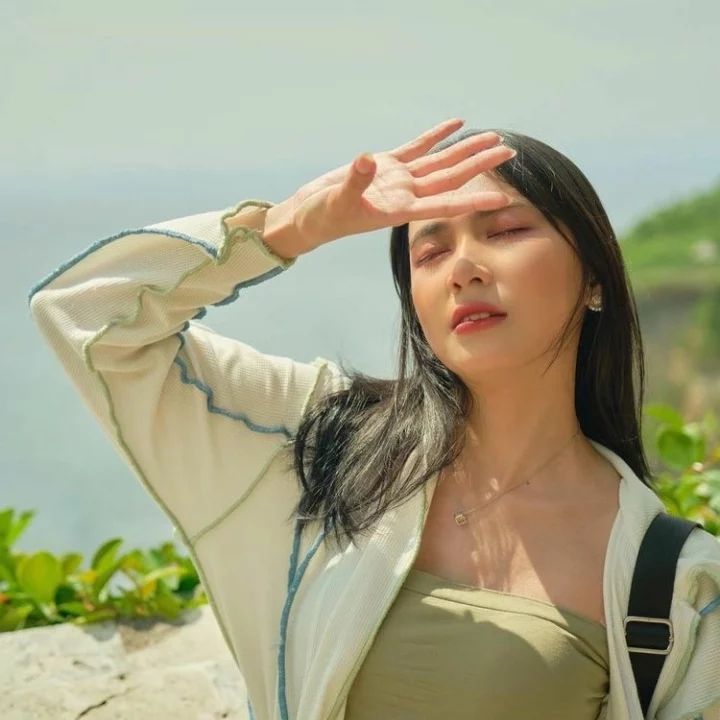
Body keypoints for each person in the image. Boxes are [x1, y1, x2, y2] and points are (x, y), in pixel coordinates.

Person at [28, 118, 720, 719]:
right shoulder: (319, 438)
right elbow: (88, 318)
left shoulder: (676, 581)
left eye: (505, 230)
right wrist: (292, 227)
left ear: (595, 276)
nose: (465, 267)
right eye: (430, 250)